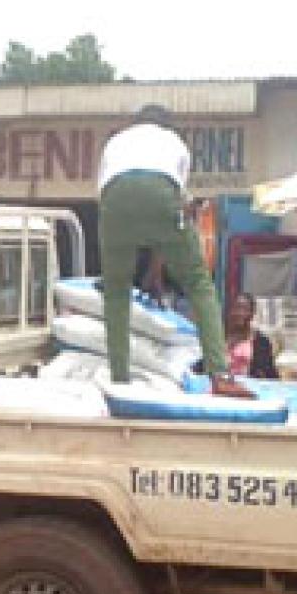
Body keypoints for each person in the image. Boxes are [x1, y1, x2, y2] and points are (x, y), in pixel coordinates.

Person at [97, 106, 248, 397]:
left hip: (114, 201)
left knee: (116, 291)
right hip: (162, 194)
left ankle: (119, 379)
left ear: (136, 123)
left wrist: (153, 270)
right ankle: (220, 376)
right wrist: (159, 267)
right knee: (199, 285)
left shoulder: (116, 142)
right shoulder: (174, 142)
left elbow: (105, 192)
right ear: (166, 126)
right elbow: (172, 208)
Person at [224, 292, 280, 381]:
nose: (240, 313)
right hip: (219, 387)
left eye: (245, 309)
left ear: (252, 313)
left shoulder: (261, 342)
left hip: (248, 388)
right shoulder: (219, 338)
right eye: (236, 308)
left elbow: (269, 373)